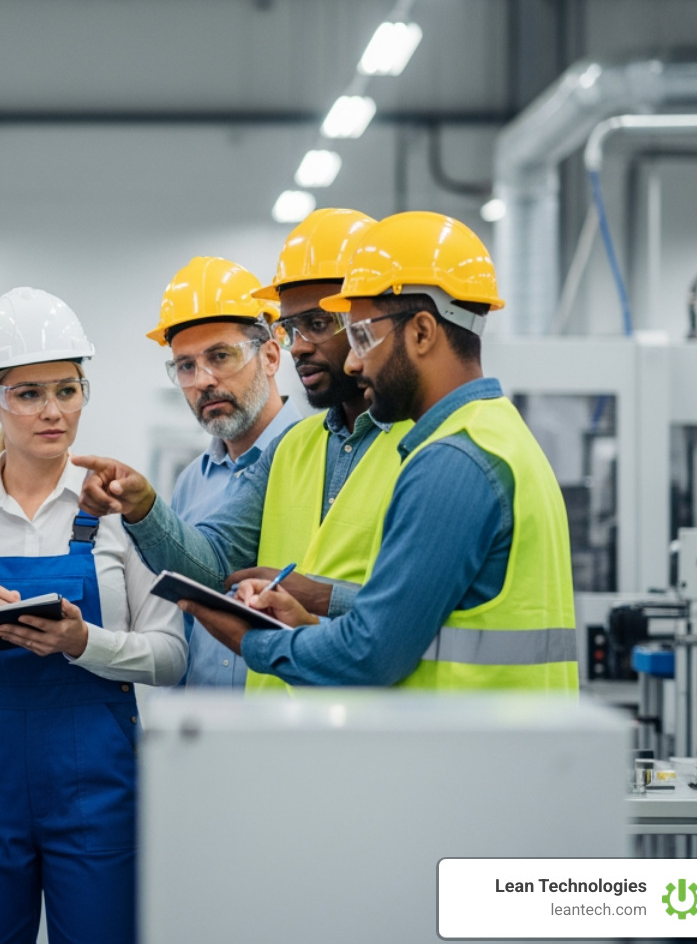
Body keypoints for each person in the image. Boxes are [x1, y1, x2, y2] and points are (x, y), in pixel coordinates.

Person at [0, 286, 186, 944]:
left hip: (97, 787)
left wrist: (82, 641)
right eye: (27, 394)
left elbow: (171, 654)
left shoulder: (122, 512)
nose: (52, 411)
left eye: (67, 389)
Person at [185, 212, 580, 691]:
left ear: (422, 332)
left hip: (474, 753)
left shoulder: (452, 460)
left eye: (364, 335)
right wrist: (306, 625)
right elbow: (410, 633)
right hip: (506, 749)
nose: (353, 360)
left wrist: (251, 641)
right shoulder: (499, 433)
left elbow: (370, 654)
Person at [73, 210, 408, 656]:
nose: (300, 346)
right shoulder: (296, 448)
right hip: (282, 705)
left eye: (319, 323)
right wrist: (144, 507)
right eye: (292, 328)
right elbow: (214, 567)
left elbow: (424, 608)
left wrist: (319, 596)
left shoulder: (424, 442)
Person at [134, 256, 298, 688]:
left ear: (271, 356)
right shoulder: (190, 483)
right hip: (199, 733)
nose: (203, 380)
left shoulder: (317, 459)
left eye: (220, 356)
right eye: (185, 366)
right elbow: (181, 624)